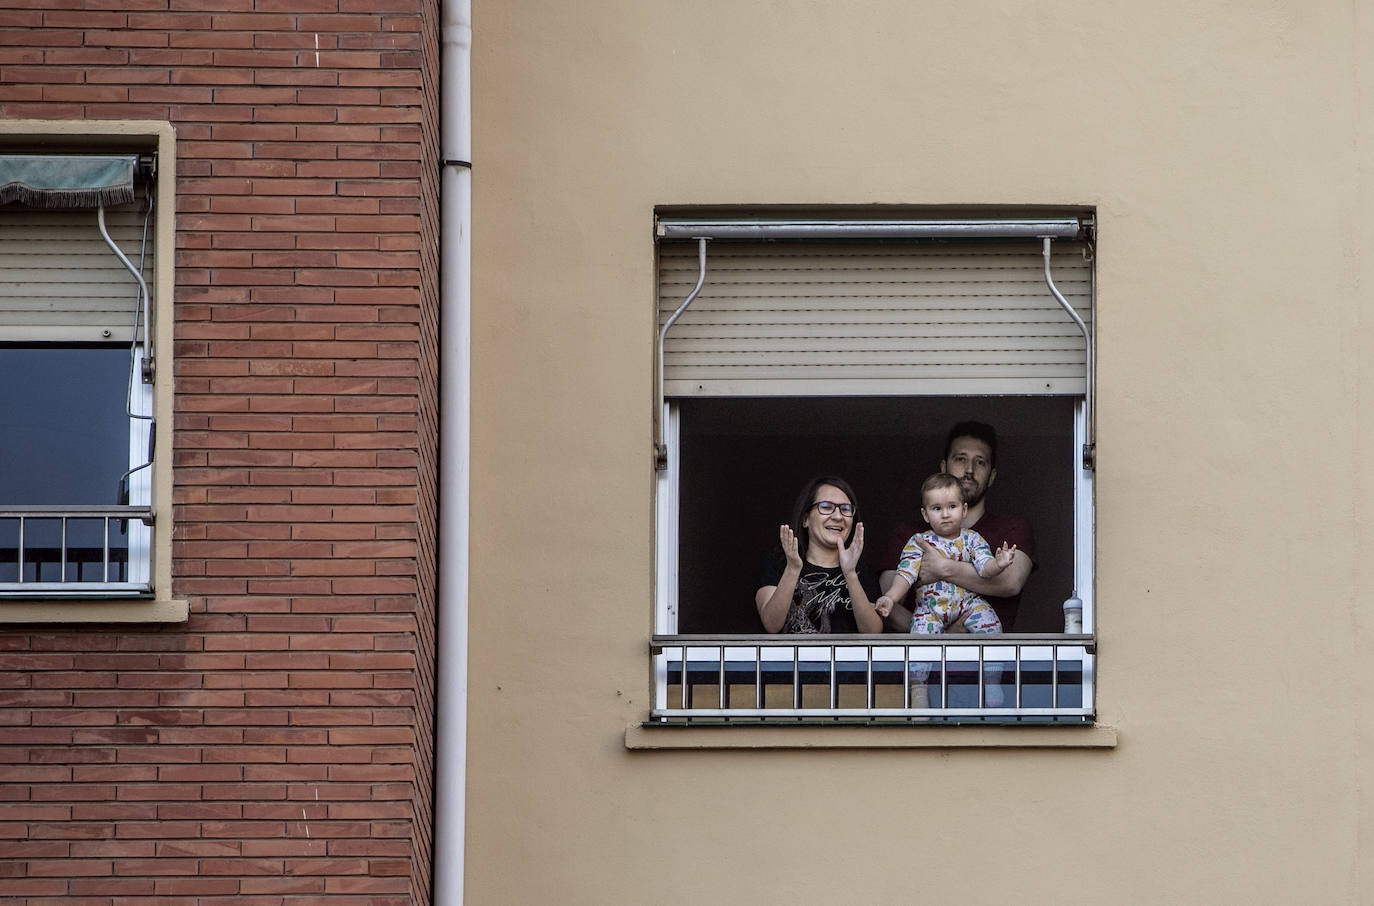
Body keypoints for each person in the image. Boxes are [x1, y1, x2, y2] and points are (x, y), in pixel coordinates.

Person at [879, 421, 1036, 632]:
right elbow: (886, 607)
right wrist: (941, 637)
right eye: (960, 459)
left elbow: (1009, 582)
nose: (969, 470)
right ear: (944, 467)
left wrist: (942, 568)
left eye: (980, 462)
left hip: (985, 661)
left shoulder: (1012, 528)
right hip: (927, 655)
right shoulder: (911, 535)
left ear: (992, 476)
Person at [874, 472, 1016, 635]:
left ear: (964, 510)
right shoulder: (919, 541)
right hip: (930, 608)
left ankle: (993, 661)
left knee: (990, 626)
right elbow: (906, 574)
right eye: (937, 508)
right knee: (920, 641)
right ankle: (922, 662)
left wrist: (998, 564)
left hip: (968, 604)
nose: (945, 514)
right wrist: (891, 597)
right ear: (925, 514)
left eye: (952, 506)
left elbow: (985, 568)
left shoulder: (972, 539)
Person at [755, 476, 884, 634]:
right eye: (826, 507)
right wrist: (793, 569)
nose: (838, 517)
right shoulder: (780, 563)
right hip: (794, 658)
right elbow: (771, 624)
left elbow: (873, 633)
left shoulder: (861, 572)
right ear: (805, 519)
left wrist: (850, 574)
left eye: (845, 509)